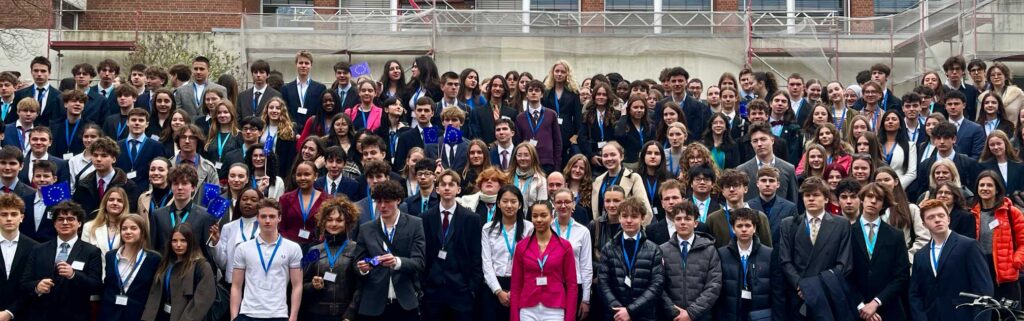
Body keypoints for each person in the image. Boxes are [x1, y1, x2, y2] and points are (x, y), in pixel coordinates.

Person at [776, 177, 852, 320]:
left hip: (828, 296)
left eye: (816, 195)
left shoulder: (841, 224)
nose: (811, 199)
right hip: (798, 297)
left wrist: (815, 288)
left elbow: (844, 263)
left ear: (826, 199)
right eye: (807, 195)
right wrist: (801, 286)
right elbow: (785, 260)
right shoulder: (788, 224)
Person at [909, 199, 994, 321]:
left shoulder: (969, 246)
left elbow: (983, 288)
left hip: (963, 316)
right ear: (924, 224)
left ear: (948, 219)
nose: (937, 219)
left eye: (941, 215)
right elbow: (915, 294)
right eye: (931, 217)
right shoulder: (920, 255)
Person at [353, 180, 425, 321]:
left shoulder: (415, 224)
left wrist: (397, 262)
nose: (383, 206)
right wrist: (363, 268)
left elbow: (420, 262)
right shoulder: (366, 229)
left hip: (405, 302)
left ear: (398, 200)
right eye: (379, 202)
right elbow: (357, 262)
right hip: (373, 303)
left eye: (387, 201)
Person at [21, 201, 103, 321]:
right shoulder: (38, 249)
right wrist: (37, 287)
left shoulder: (91, 251)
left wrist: (74, 275)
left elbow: (96, 286)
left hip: (75, 316)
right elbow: (24, 282)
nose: (65, 222)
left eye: (70, 219)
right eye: (60, 219)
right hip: (42, 315)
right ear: (54, 223)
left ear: (79, 223)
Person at [421, 170, 482, 321]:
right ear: (437, 189)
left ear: (458, 190)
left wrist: (472, 287)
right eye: (443, 184)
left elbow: (476, 254)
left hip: (461, 290)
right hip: (433, 290)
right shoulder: (425, 218)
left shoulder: (472, 219)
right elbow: (422, 252)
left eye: (451, 184)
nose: (447, 188)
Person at [229, 198, 304, 321]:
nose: (267, 221)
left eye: (272, 216)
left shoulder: (293, 248)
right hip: (248, 313)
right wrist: (233, 316)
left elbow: (297, 285)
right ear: (257, 218)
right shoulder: (243, 248)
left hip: (278, 314)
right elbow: (236, 286)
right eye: (263, 216)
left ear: (279, 218)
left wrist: (293, 317)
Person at [849, 183, 911, 321]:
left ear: (884, 204)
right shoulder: (847, 232)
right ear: (861, 199)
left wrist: (876, 302)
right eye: (869, 196)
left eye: (878, 198)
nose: (873, 201)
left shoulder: (896, 235)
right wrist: (861, 306)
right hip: (855, 309)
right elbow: (844, 274)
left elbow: (902, 276)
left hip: (888, 309)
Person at [595, 196, 663, 321]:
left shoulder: (654, 250)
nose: (629, 220)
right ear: (619, 218)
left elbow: (656, 285)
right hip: (615, 315)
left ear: (642, 218)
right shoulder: (608, 248)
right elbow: (603, 283)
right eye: (625, 216)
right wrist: (619, 311)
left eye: (634, 216)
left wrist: (630, 311)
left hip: (644, 315)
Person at [510, 202, 578, 321]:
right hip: (528, 307)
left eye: (543, 215)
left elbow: (572, 285)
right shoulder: (522, 246)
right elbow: (516, 285)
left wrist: (570, 318)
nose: (539, 219)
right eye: (535, 216)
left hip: (555, 308)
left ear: (552, 216)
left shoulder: (564, 246)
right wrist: (514, 317)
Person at [658, 200, 722, 321]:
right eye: (678, 219)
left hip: (701, 316)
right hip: (672, 317)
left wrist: (691, 313)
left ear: (696, 223)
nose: (682, 222)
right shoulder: (662, 250)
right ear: (674, 222)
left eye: (687, 219)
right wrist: (674, 311)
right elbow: (658, 285)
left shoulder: (709, 250)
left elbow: (714, 285)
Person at [300, 196, 361, 321]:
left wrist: (351, 312)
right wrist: (313, 285)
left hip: (345, 315)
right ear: (323, 222)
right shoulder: (313, 250)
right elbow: (300, 284)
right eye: (329, 220)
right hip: (316, 314)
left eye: (339, 220)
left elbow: (361, 286)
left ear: (347, 223)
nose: (333, 224)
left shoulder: (356, 249)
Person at [141, 223, 215, 321]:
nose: (178, 245)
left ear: (191, 242)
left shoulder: (202, 266)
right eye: (174, 241)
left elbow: (202, 302)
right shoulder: (165, 263)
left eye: (183, 240)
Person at [480, 185, 533, 321]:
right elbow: (486, 263)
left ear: (520, 204)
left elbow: (531, 262)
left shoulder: (529, 228)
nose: (509, 205)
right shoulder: (488, 229)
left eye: (513, 201)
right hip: (493, 285)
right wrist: (498, 291)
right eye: (505, 201)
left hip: (520, 285)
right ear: (498, 203)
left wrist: (516, 290)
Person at [971, 170, 1024, 301]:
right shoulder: (971, 214)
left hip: (1006, 274)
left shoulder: (1012, 212)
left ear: (997, 189)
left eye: (989, 185)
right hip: (981, 270)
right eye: (981, 185)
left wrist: (1015, 262)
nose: (984, 188)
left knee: (1008, 315)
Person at [713, 207, 774, 321]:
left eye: (748, 225)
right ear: (733, 229)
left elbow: (775, 289)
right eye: (739, 226)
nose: (744, 229)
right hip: (731, 313)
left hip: (760, 313)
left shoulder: (769, 254)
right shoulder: (722, 254)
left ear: (754, 228)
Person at [98, 214, 162, 321]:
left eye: (133, 228)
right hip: (109, 313)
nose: (128, 232)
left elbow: (154, 292)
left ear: (142, 232)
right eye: (124, 229)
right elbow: (108, 285)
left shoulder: (154, 259)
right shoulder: (111, 256)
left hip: (137, 314)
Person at [149, 164, 215, 262]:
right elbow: (153, 249)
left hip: (192, 271)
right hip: (165, 271)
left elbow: (206, 252)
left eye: (184, 183)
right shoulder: (157, 215)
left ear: (193, 187)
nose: (179, 188)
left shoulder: (204, 216)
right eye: (175, 183)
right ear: (171, 187)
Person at [551, 188, 593, 320]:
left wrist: (586, 299)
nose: (563, 206)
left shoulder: (583, 231)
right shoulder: (546, 229)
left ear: (574, 204)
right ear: (553, 204)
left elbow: (586, 267)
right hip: (551, 286)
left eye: (567, 202)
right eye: (559, 202)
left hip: (575, 286)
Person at [910, 121, 980, 200]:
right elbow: (922, 190)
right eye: (938, 138)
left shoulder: (968, 163)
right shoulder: (925, 165)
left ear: (954, 139)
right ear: (934, 140)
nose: (942, 142)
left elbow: (973, 191)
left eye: (946, 138)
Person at [71, 136, 139, 218]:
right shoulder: (83, 184)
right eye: (95, 155)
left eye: (104, 156)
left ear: (114, 159)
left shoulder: (128, 186)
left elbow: (130, 215)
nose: (98, 159)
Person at [706, 169, 773, 248]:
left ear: (745, 189)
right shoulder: (713, 219)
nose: (731, 189)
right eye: (727, 186)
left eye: (735, 185)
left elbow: (767, 250)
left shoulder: (760, 217)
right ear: (722, 191)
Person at [591, 142, 652, 221]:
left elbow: (646, 210)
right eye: (605, 156)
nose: (609, 158)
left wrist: (636, 231)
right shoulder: (597, 181)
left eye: (613, 154)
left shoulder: (633, 178)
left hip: (627, 229)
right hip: (602, 229)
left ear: (622, 156)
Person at [0, 193, 38, 320]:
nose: (9, 218)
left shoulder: (35, 248)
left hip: (23, 314)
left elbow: (33, 285)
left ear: (21, 217)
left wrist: (10, 312)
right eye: (4, 214)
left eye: (14, 214)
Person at [516, 80, 563, 173]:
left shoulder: (551, 114)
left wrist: (557, 166)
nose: (533, 92)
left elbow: (557, 141)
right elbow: (518, 142)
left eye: (537, 90)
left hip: (547, 163)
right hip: (527, 162)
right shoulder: (520, 117)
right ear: (526, 94)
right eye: (530, 90)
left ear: (541, 94)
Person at [279, 161, 327, 246]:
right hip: (289, 247)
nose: (302, 178)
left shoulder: (327, 200)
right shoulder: (285, 199)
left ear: (315, 176)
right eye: (299, 175)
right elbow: (281, 227)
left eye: (307, 174)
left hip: (316, 248)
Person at [747, 167, 799, 242]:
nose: (767, 184)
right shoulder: (748, 206)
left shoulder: (790, 208)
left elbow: (794, 237)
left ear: (778, 184)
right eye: (763, 180)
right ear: (757, 183)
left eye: (771, 181)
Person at [116, 108, 164, 189]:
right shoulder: (117, 146)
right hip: (122, 191)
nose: (137, 123)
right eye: (134, 120)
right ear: (127, 122)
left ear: (147, 124)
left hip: (146, 192)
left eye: (141, 120)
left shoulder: (156, 146)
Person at [82, 187, 131, 259]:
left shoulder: (129, 229)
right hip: (96, 269)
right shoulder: (89, 227)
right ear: (105, 203)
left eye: (120, 201)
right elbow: (84, 255)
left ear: (124, 205)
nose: (115, 203)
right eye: (111, 200)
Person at [13, 56, 64, 126]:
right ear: (31, 72)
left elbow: (60, 119)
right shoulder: (20, 94)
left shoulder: (59, 96)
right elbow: (14, 117)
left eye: (43, 71)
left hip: (49, 134)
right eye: (36, 71)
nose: (39, 74)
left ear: (49, 73)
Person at [945, 90, 986, 159]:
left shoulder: (976, 129)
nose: (953, 107)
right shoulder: (939, 127)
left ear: (964, 105)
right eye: (949, 104)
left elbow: (977, 155)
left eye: (956, 104)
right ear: (945, 106)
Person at [509, 143, 548, 209]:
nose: (522, 158)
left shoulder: (540, 180)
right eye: (519, 155)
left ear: (533, 157)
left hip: (531, 217)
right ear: (515, 157)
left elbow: (542, 206)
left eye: (526, 155)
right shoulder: (507, 177)